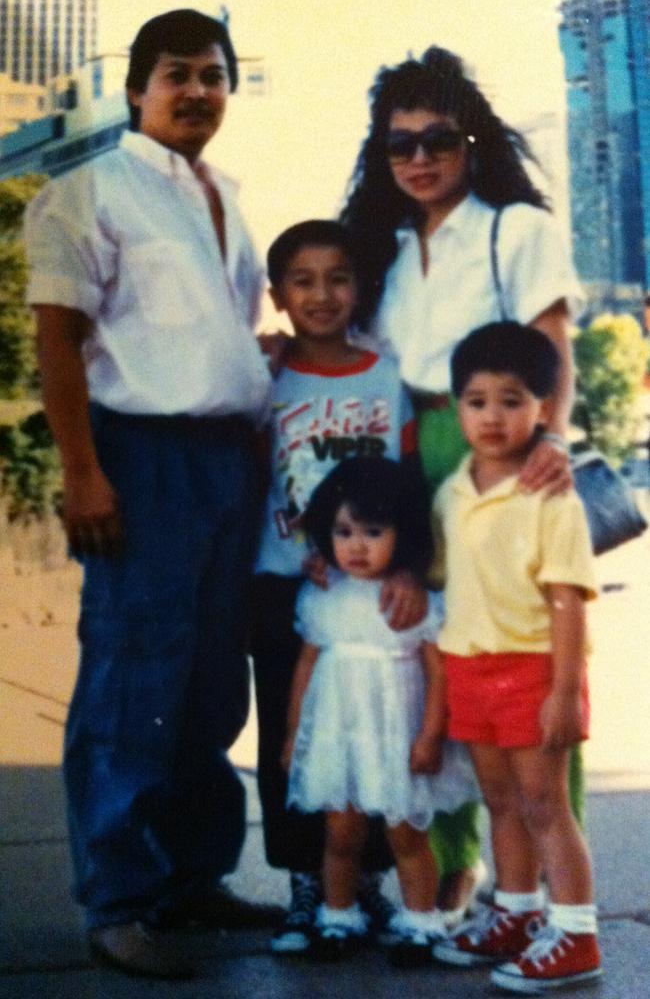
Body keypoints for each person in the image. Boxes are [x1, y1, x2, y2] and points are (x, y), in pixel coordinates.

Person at [24, 9, 281, 981]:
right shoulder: (89, 190)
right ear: (136, 88)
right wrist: (83, 471)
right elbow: (59, 340)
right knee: (136, 676)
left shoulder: (226, 196)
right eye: (177, 74)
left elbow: (216, 334)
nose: (198, 91)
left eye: (213, 75)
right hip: (140, 456)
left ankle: (192, 880)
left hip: (229, 459)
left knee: (212, 680)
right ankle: (119, 898)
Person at [340, 45, 584, 922]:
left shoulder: (516, 229)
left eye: (437, 138)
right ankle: (465, 867)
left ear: (471, 140)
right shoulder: (384, 249)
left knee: (521, 660)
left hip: (497, 447)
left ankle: (561, 886)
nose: (419, 157)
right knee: (438, 661)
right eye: (399, 143)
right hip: (410, 451)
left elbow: (552, 341)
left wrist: (549, 436)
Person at [251, 220, 430, 955]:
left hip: (374, 598)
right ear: (278, 294)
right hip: (283, 584)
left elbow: (414, 488)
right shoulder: (263, 379)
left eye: (338, 278)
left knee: (379, 736)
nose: (322, 295)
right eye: (302, 280)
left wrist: (412, 569)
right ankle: (305, 885)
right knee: (292, 741)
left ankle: (365, 887)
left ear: (360, 288)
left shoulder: (386, 377)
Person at [431, 322, 601, 993]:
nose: (494, 416)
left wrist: (563, 691)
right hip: (470, 669)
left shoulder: (551, 496)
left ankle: (577, 932)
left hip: (532, 671)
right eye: (477, 401)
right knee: (499, 800)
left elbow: (568, 602)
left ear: (543, 406)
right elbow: (442, 576)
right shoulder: (453, 490)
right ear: (456, 408)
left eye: (512, 399)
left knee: (544, 804)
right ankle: (517, 912)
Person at [282, 456, 479, 966]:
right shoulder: (321, 598)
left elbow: (438, 672)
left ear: (403, 532)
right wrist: (293, 736)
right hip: (338, 736)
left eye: (373, 531)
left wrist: (431, 735)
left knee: (406, 835)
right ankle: (339, 915)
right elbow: (306, 666)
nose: (357, 545)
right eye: (344, 531)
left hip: (398, 733)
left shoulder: (415, 603)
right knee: (340, 835)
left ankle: (420, 923)